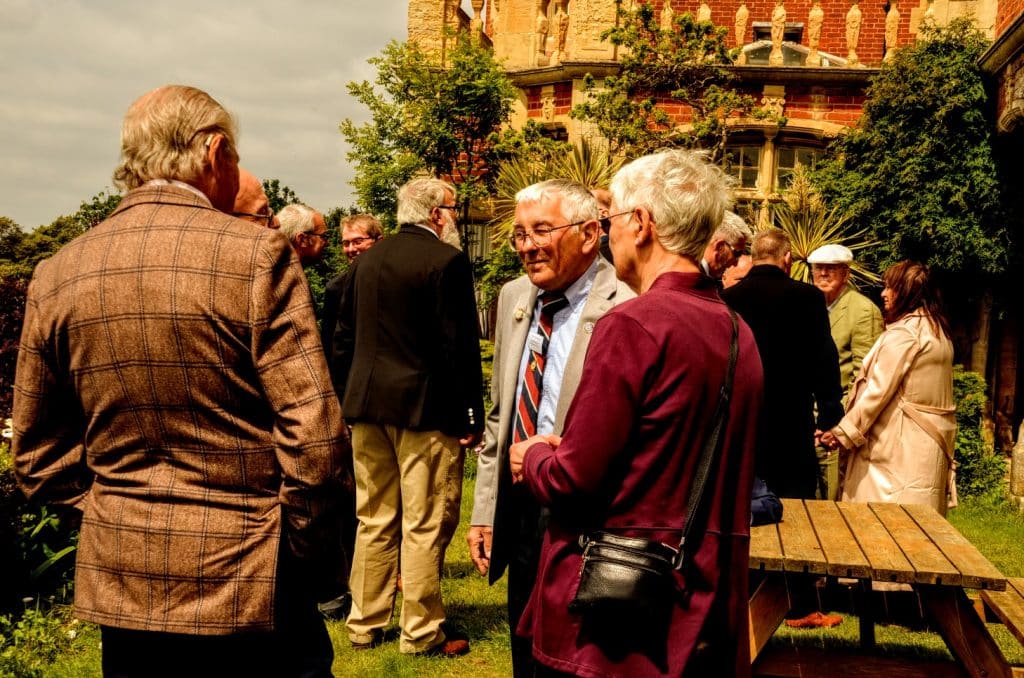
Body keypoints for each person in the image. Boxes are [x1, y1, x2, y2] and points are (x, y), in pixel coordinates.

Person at [11, 84, 348, 677]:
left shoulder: (58, 272)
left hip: (126, 587)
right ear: (215, 152)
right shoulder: (258, 257)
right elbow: (316, 441)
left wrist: (115, 513)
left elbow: (36, 454)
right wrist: (300, 551)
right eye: (236, 158)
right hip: (253, 582)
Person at [509, 149, 763, 676]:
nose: (607, 235)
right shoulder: (738, 332)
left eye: (612, 220)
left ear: (643, 224)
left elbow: (572, 480)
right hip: (704, 597)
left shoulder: (635, 324)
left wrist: (533, 455)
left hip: (615, 615)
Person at [466, 179, 633, 677]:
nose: (526, 245)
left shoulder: (625, 303)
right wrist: (484, 511)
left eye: (541, 230)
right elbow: (501, 412)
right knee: (524, 642)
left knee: (576, 653)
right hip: (520, 505)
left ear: (588, 233)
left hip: (585, 513)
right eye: (519, 233)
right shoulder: (515, 296)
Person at [333, 177, 483, 657]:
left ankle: (364, 622)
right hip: (425, 408)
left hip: (366, 407)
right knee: (422, 520)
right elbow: (460, 346)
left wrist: (346, 400)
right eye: (454, 210)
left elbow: (343, 339)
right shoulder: (446, 260)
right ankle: (420, 631)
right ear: (438, 213)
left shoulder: (365, 262)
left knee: (373, 518)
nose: (455, 218)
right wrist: (471, 414)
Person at [821, 261, 957, 515]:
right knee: (919, 533)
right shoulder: (938, 331)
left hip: (893, 456)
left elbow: (876, 393)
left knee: (883, 533)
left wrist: (842, 433)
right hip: (923, 453)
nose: (883, 294)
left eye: (890, 288)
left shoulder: (905, 335)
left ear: (907, 292)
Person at [722, 228, 844, 500]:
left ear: (753, 258)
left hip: (743, 419)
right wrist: (829, 414)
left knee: (741, 500)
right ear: (788, 258)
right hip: (792, 419)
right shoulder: (809, 297)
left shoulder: (728, 300)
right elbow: (824, 357)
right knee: (795, 504)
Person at [808, 244, 883, 402]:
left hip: (839, 416)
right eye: (818, 268)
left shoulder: (864, 311)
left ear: (846, 274)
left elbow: (865, 378)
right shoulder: (808, 307)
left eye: (831, 268)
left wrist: (842, 423)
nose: (823, 273)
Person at [701, 209, 752, 282]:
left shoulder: (704, 277)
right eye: (737, 253)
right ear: (719, 247)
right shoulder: (694, 278)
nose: (735, 263)